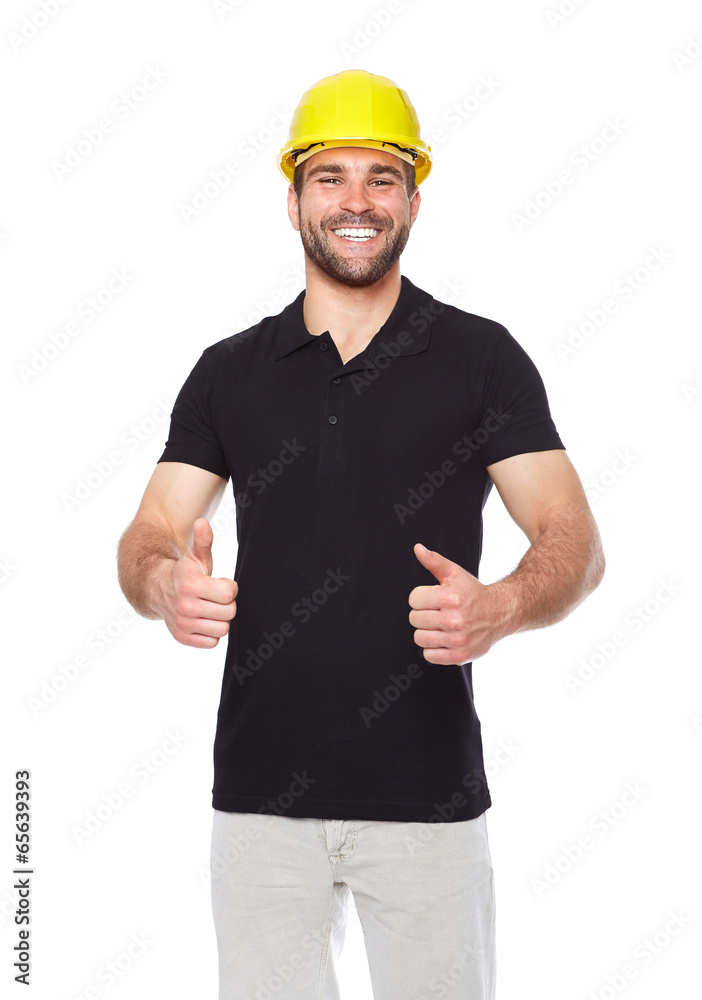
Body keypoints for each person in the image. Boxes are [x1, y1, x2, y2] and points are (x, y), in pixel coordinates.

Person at [117, 69, 605, 1000]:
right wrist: (160, 584)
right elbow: (150, 531)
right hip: (261, 803)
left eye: (380, 177)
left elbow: (572, 535)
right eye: (330, 177)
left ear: (414, 198)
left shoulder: (481, 358)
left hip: (429, 802)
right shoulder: (228, 373)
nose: (355, 202)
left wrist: (502, 604)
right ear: (294, 198)